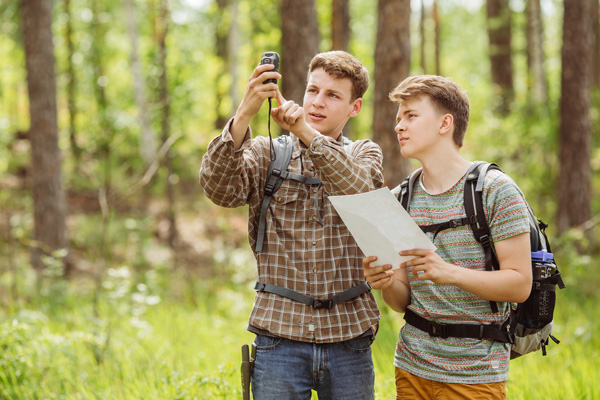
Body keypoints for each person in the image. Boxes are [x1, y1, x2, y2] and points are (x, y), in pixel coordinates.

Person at [200, 50, 383, 399]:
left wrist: (305, 132)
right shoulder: (269, 152)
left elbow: (361, 189)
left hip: (350, 338)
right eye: (313, 90)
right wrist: (244, 114)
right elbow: (219, 191)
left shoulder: (365, 153)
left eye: (332, 95)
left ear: (354, 107)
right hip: (279, 337)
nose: (317, 102)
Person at [362, 75, 532, 400]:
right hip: (411, 368)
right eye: (399, 118)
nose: (399, 126)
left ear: (445, 123)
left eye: (411, 116)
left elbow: (520, 283)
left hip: (475, 375)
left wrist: (448, 273)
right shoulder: (400, 198)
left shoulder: (497, 190)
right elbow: (401, 301)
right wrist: (384, 282)